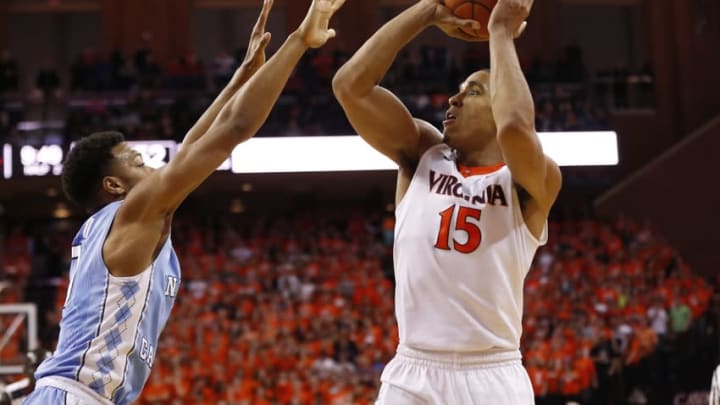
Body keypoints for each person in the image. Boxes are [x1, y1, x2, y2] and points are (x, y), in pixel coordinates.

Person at [24, 0, 346, 404]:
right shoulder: (135, 211)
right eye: (137, 162)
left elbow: (194, 144)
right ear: (114, 184)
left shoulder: (111, 225)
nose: (153, 167)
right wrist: (299, 41)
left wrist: (242, 76)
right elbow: (235, 128)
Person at [332, 0, 561, 403]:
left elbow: (515, 126)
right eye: (456, 92)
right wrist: (428, 11)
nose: (452, 101)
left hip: (493, 374)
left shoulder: (530, 179)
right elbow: (349, 86)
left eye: (472, 92)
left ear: (497, 104)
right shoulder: (421, 153)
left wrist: (501, 31)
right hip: (413, 370)